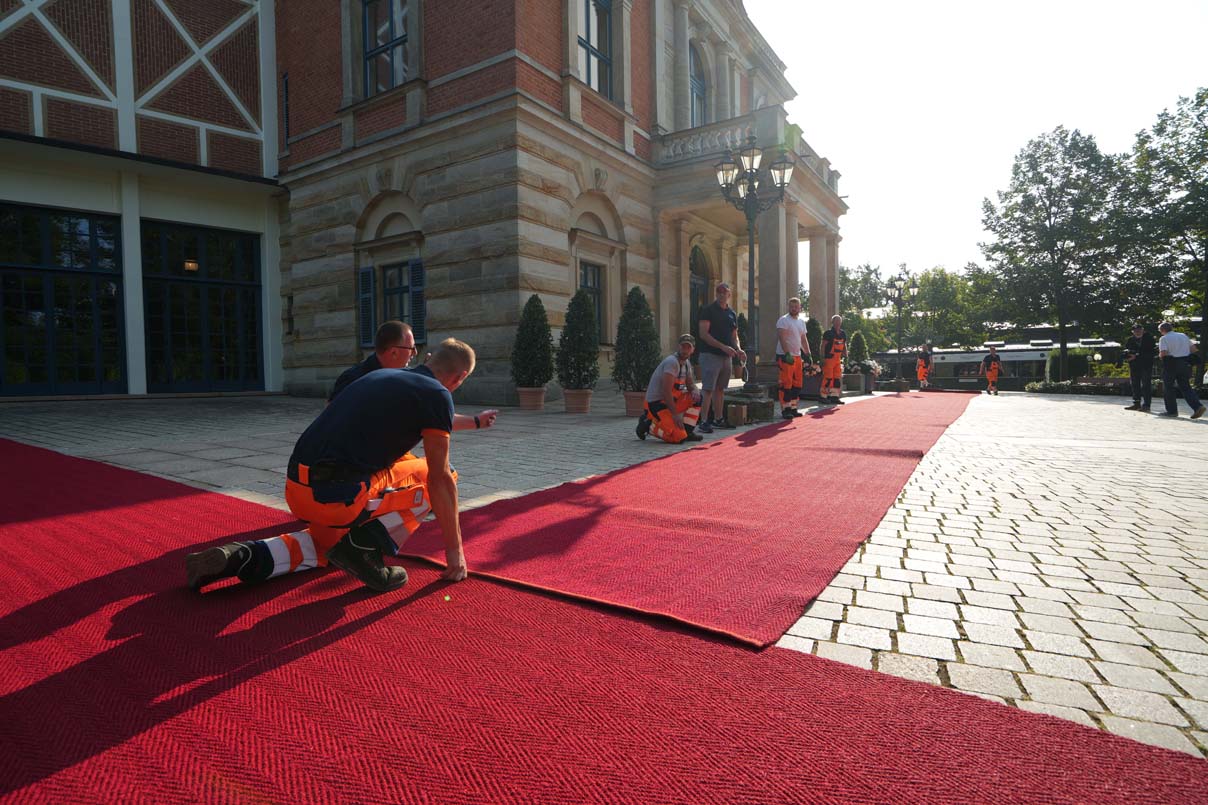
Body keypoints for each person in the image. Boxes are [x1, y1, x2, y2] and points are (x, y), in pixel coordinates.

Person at [186, 339, 481, 593]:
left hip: (298, 489)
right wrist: (455, 553)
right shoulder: (438, 395)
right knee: (442, 473)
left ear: (429, 358)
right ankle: (364, 551)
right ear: (460, 377)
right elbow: (440, 478)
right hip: (339, 495)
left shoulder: (382, 377)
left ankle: (242, 556)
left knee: (328, 545)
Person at [696, 282, 746, 433]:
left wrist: (738, 349)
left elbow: (734, 336)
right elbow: (703, 334)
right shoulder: (708, 311)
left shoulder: (731, 313)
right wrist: (722, 347)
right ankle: (703, 421)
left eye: (725, 292)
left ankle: (718, 419)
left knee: (720, 389)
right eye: (719, 292)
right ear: (716, 294)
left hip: (726, 357)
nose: (722, 294)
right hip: (710, 355)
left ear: (729, 295)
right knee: (708, 389)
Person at [636, 334, 703, 444]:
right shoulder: (672, 362)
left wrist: (695, 390)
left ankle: (688, 432)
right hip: (656, 404)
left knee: (697, 397)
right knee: (678, 438)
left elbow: (690, 384)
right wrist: (675, 415)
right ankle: (648, 425)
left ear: (693, 350)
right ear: (678, 347)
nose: (685, 350)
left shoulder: (686, 364)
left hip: (671, 401)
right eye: (683, 346)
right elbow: (666, 391)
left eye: (688, 347)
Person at [329, 320, 415, 402]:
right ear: (394, 352)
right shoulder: (353, 379)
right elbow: (331, 413)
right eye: (412, 348)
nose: (415, 353)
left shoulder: (405, 375)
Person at [1156, 321, 1206, 419]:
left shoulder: (1164, 338)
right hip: (1185, 363)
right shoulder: (1183, 335)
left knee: (1168, 388)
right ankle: (1198, 406)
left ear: (1162, 330)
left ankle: (1172, 411)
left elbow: (1164, 353)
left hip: (1171, 364)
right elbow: (1194, 349)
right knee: (1186, 387)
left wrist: (1159, 356)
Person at [775, 297, 814, 418]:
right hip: (785, 356)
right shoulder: (783, 320)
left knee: (797, 384)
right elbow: (782, 338)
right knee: (786, 383)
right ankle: (785, 409)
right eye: (792, 306)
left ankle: (793, 407)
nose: (794, 309)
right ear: (789, 307)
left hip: (797, 356)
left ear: (800, 308)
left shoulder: (801, 322)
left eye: (796, 307)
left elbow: (803, 339)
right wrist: (787, 353)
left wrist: (808, 354)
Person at [1122, 323, 1157, 411]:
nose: (1137, 332)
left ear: (1143, 330)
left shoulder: (1149, 339)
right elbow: (1127, 351)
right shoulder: (1130, 340)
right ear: (1132, 331)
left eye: (1139, 330)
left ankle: (1146, 405)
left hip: (1146, 365)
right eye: (1135, 331)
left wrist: (1136, 355)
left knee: (1146, 385)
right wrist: (1127, 357)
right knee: (1135, 384)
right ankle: (1136, 403)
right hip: (1134, 365)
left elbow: (1152, 352)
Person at [820, 315, 847, 405]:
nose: (838, 323)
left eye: (839, 321)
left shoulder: (843, 333)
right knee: (828, 378)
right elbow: (823, 345)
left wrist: (846, 354)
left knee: (836, 378)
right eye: (836, 321)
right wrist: (822, 357)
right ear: (832, 322)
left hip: (838, 359)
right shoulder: (828, 333)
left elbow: (844, 345)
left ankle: (834, 397)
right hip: (829, 358)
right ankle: (823, 396)